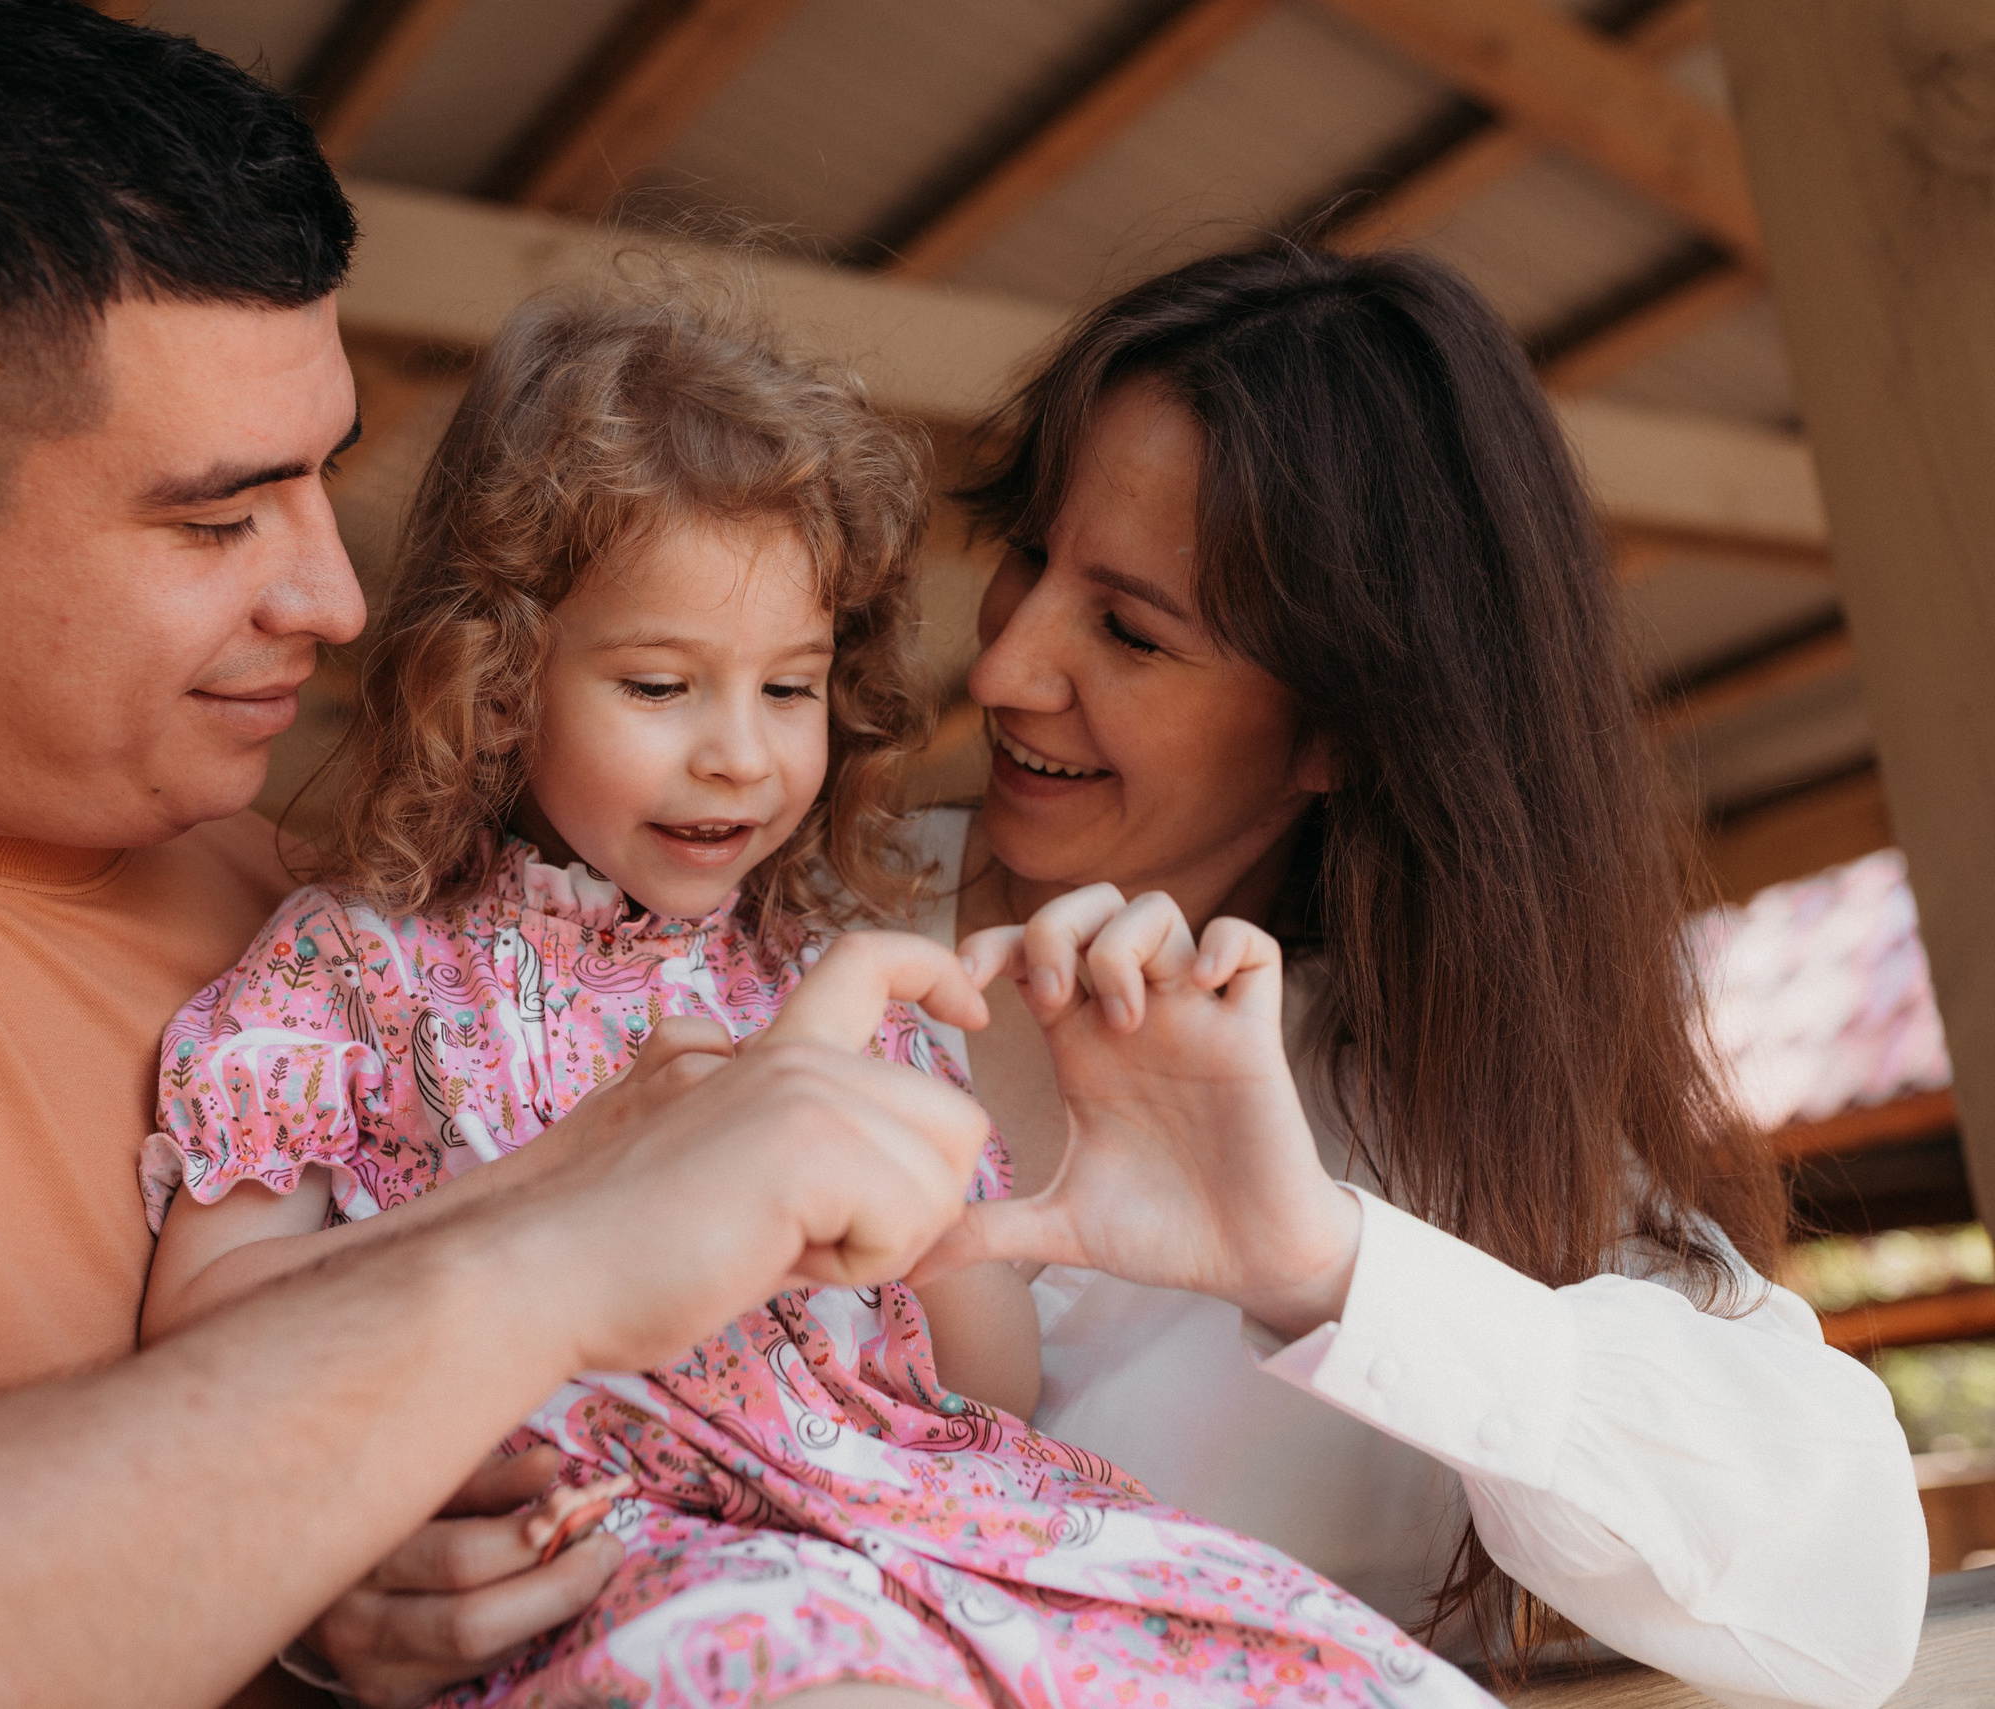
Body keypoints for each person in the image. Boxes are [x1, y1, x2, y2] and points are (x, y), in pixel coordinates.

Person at [0, 5, 1001, 1704]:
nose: (332, 600)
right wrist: (540, 1253)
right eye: (211, 515)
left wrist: (319, 1573)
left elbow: (287, 1488)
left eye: (324, 482)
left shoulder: (328, 898)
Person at [302, 247, 1930, 1709]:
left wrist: (1323, 1265)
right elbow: (359, 1333)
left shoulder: (1448, 1125)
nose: (1000, 666)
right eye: (1028, 558)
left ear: (1348, 725)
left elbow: (1847, 1592)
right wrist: (340, 1592)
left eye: (1133, 632)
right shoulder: (728, 918)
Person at [137, 287, 1499, 1709]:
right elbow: (200, 1338)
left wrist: (939, 1222)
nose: (741, 755)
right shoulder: (357, 968)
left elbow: (986, 1392)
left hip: (934, 1523)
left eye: (789, 688)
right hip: (630, 1545)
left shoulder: (820, 972)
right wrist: (562, 1193)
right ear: (498, 679)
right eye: (663, 684)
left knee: (1321, 1661)